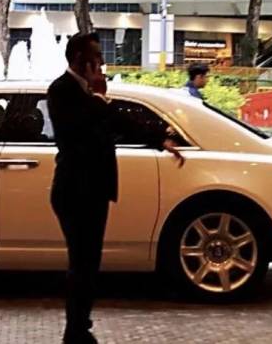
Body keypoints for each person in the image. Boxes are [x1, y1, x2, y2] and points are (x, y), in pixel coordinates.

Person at [48, 32, 184, 343]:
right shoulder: (62, 90)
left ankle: (80, 326)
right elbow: (80, 128)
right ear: (81, 60)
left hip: (94, 190)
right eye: (96, 56)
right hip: (75, 191)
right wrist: (99, 96)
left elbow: (120, 122)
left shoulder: (88, 93)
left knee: (89, 262)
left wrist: (160, 140)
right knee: (82, 262)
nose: (102, 62)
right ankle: (76, 331)